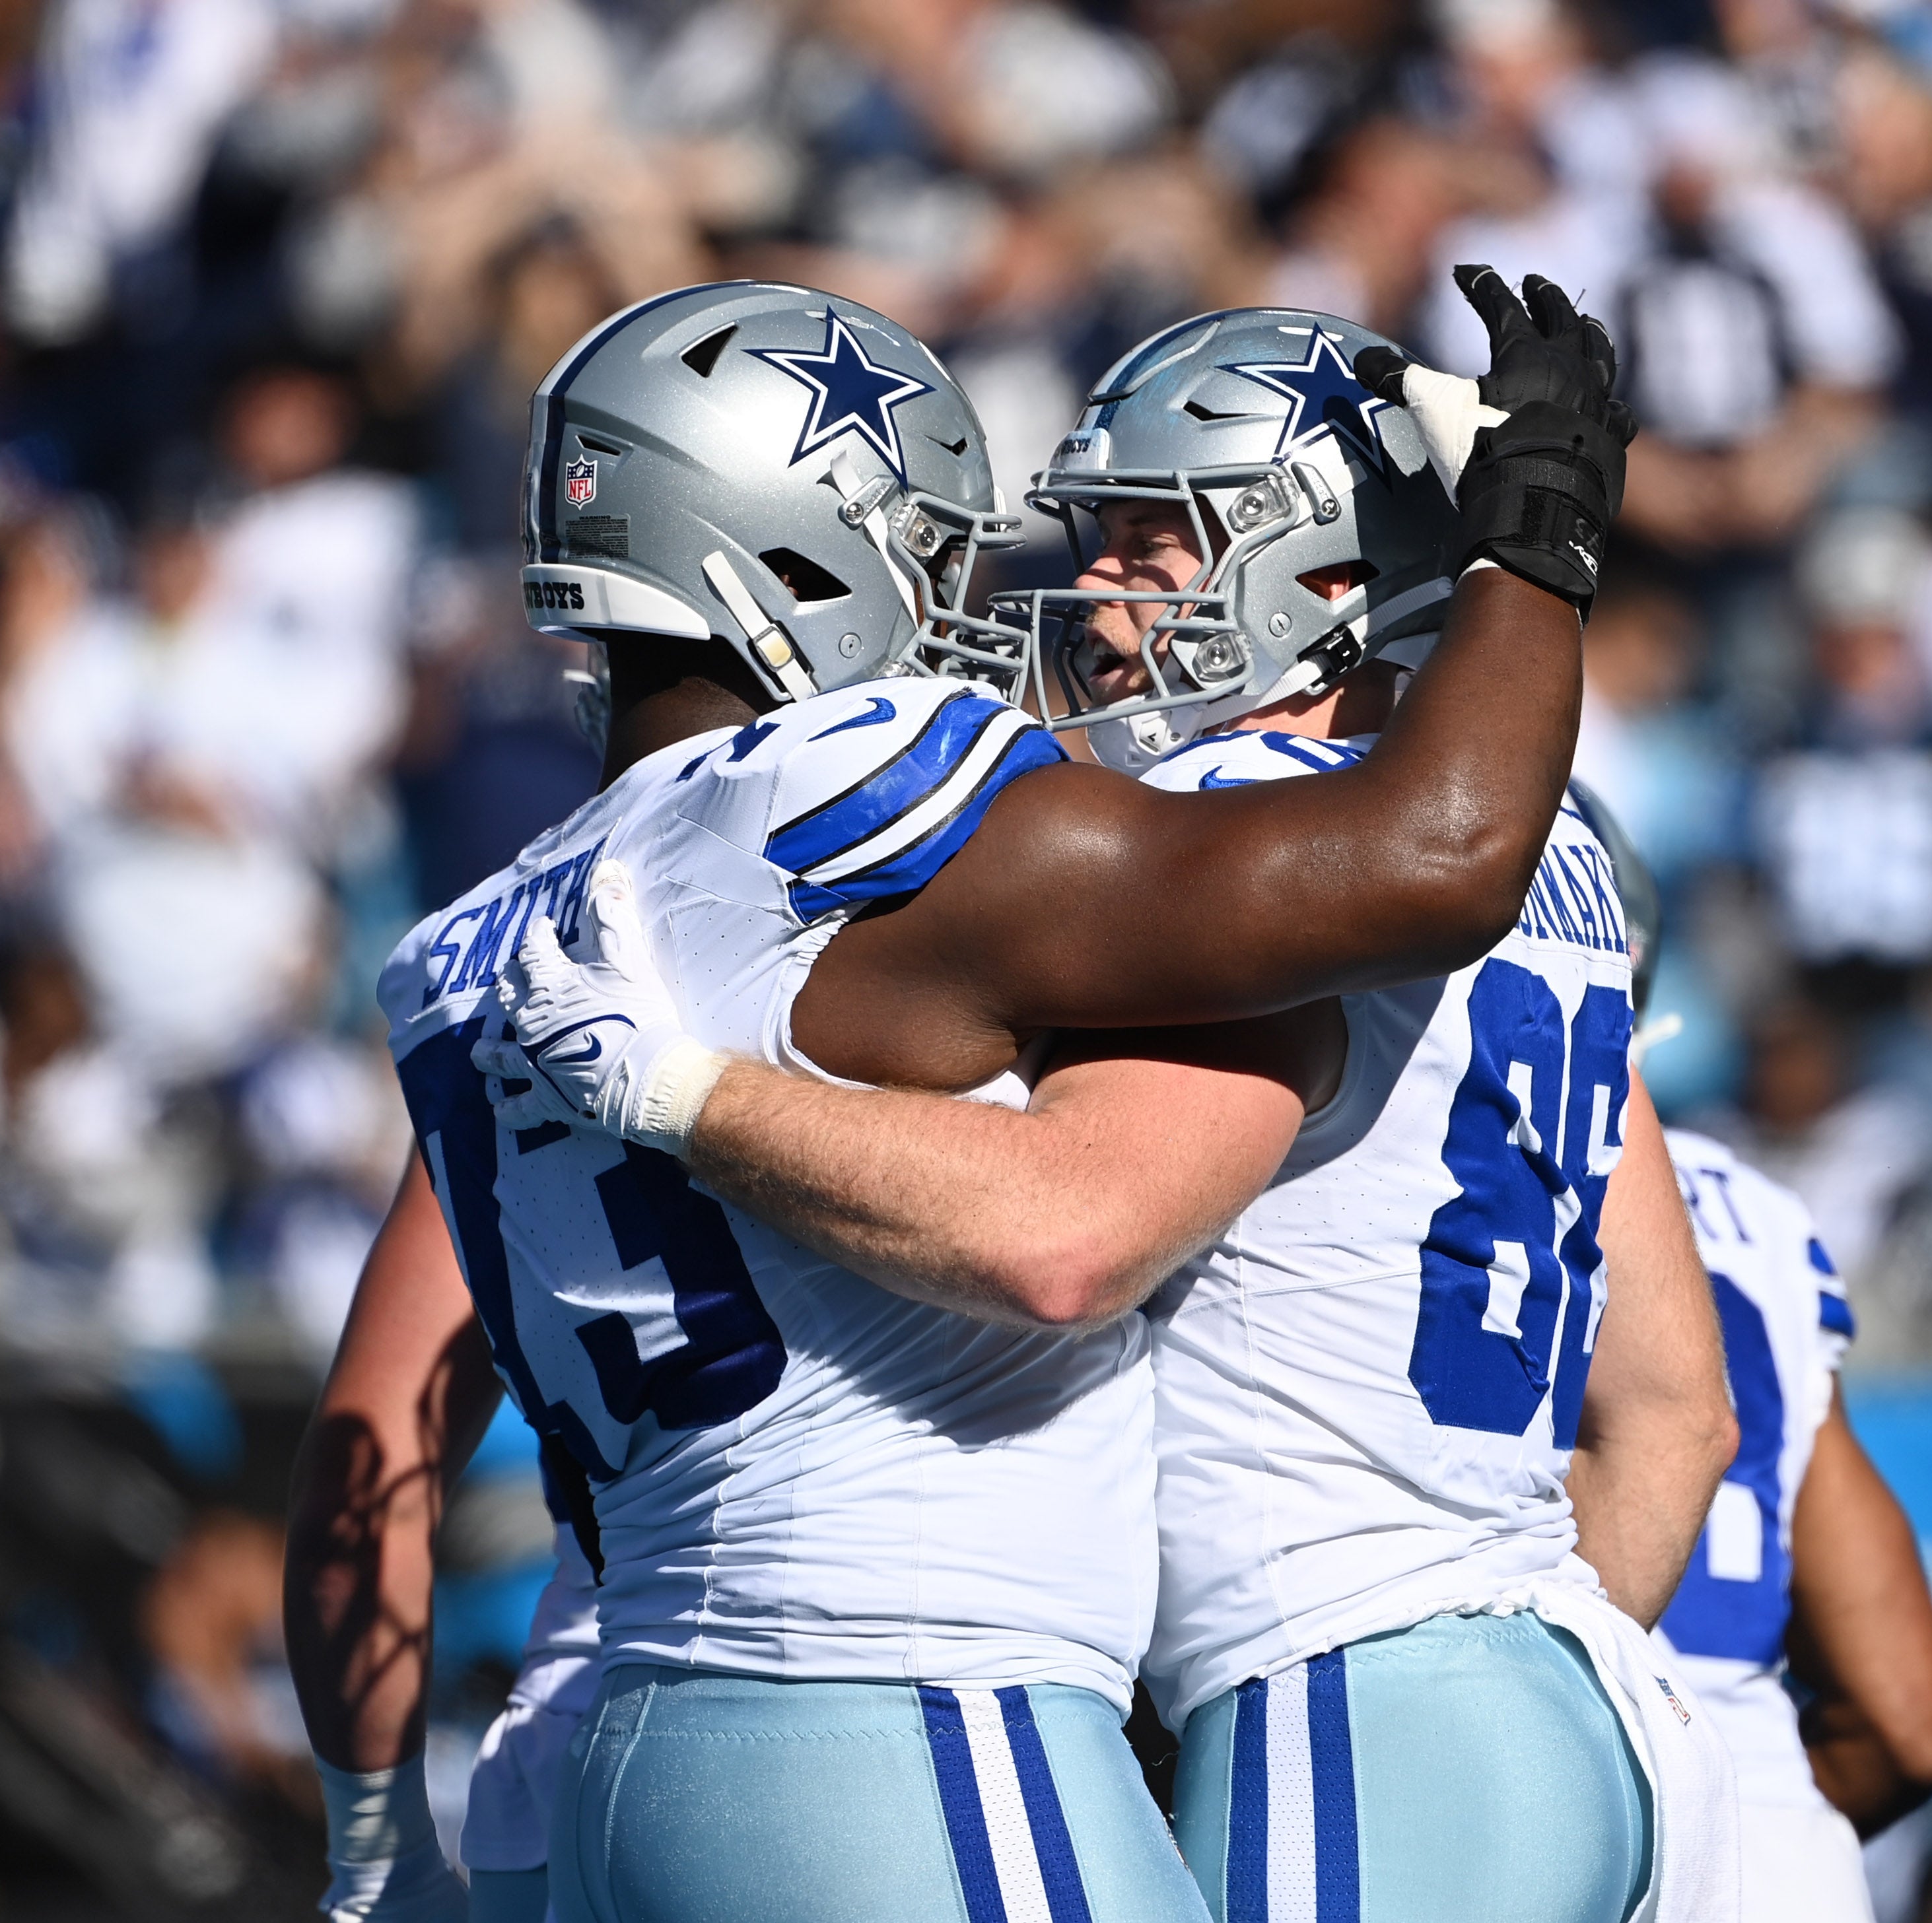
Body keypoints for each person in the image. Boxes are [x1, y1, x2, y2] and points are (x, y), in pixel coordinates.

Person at [284, 269, 1644, 1923]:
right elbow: (1431, 860)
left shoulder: (477, 944)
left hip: (635, 1733)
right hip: (908, 1701)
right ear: (792, 549)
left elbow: (376, 1420)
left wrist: (371, 1858)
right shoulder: (855, 802)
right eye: (929, 547)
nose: (989, 601)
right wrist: (1538, 552)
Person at [1604, 807, 1932, 1922]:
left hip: (1512, 1802)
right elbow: (1908, 1714)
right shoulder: (1754, 1213)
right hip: (1767, 1847)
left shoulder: (1412, 1163)